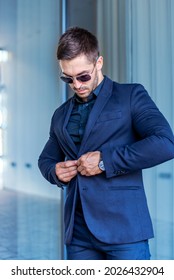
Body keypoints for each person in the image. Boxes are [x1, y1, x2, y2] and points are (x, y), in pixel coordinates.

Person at [38, 26, 174, 260]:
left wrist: (104, 161)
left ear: (99, 62)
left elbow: (164, 143)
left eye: (83, 76)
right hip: (78, 234)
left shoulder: (131, 96)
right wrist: (55, 171)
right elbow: (46, 159)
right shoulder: (60, 114)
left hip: (125, 230)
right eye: (67, 78)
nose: (77, 85)